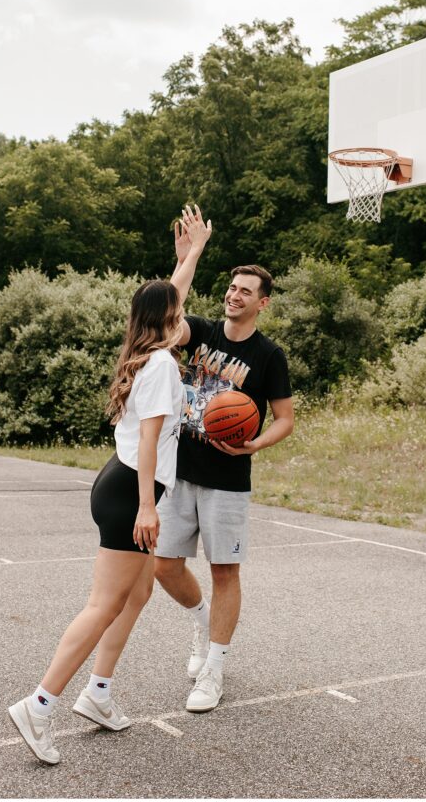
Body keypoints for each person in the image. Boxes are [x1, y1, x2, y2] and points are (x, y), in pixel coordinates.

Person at [7, 214, 212, 765]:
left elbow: (173, 295)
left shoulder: (142, 351)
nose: (183, 312)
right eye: (179, 309)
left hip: (117, 481)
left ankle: (98, 693)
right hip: (131, 491)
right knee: (103, 603)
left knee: (138, 593)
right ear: (170, 321)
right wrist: (149, 507)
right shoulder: (165, 365)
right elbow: (150, 443)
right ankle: (39, 704)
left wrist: (191, 255)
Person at [154, 207, 294, 714]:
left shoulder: (269, 356)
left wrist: (255, 445)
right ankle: (201, 621)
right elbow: (164, 316)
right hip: (179, 471)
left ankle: (213, 668)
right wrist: (191, 255)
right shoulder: (202, 332)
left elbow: (284, 418)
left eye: (245, 291)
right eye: (232, 287)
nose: (234, 295)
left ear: (263, 302)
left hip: (227, 480)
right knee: (164, 567)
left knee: (224, 572)